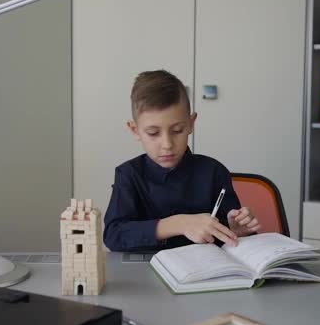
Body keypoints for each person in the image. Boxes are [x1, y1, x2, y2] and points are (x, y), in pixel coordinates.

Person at [103, 70, 260, 251]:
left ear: (191, 123)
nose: (167, 144)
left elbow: (229, 236)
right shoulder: (129, 174)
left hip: (206, 272)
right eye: (153, 133)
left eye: (177, 130)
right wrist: (179, 223)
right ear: (135, 130)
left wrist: (237, 230)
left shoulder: (214, 171)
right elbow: (114, 235)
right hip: (146, 271)